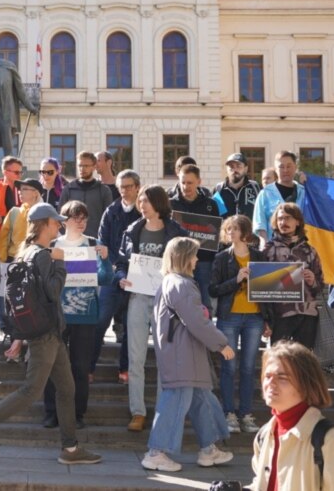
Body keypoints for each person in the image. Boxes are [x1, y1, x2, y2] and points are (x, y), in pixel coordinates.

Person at [0, 201, 99, 466]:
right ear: (45, 224)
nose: (59, 225)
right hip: (45, 334)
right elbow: (52, 291)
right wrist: (60, 265)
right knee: (31, 390)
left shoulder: (25, 252)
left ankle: (70, 449)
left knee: (67, 388)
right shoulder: (45, 255)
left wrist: (20, 335)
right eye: (56, 222)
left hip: (47, 332)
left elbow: (26, 298)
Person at [139, 236, 234, 472]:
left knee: (203, 400)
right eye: (194, 254)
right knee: (175, 402)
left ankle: (208, 449)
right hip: (183, 355)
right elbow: (197, 322)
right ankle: (156, 452)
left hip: (183, 354)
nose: (197, 259)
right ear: (184, 257)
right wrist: (222, 344)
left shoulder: (171, 282)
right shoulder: (182, 285)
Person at [251, 342, 334, 490]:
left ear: (306, 383)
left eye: (282, 377)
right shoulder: (264, 435)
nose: (271, 383)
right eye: (267, 376)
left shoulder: (331, 440)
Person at [118, 184, 188, 432]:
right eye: (140, 201)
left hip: (165, 301)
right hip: (137, 296)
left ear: (158, 203)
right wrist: (121, 277)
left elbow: (186, 264)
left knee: (163, 358)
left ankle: (162, 411)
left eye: (145, 201)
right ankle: (138, 412)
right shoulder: (132, 231)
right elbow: (121, 262)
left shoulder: (176, 232)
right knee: (135, 358)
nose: (141, 205)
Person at [41, 201, 113, 430]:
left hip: (85, 314)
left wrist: (105, 259)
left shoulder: (93, 243)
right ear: (64, 221)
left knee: (80, 368)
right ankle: (52, 413)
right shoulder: (53, 245)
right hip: (57, 315)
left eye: (84, 218)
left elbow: (106, 279)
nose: (81, 222)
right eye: (75, 218)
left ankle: (77, 413)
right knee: (52, 365)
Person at [209, 214, 267, 434]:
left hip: (254, 317)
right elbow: (213, 289)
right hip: (229, 317)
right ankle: (229, 413)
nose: (230, 232)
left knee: (248, 367)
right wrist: (236, 280)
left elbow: (267, 291)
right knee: (229, 366)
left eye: (234, 229)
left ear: (244, 232)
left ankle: (246, 414)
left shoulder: (259, 257)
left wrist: (268, 320)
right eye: (228, 229)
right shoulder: (222, 258)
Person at [93, 170, 141, 382]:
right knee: (100, 321)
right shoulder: (111, 211)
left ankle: (125, 369)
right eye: (121, 187)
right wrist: (115, 267)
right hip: (113, 275)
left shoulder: (143, 211)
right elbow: (102, 242)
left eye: (129, 186)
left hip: (138, 277)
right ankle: (89, 368)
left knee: (132, 327)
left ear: (138, 187)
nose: (124, 191)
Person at [260, 203, 323, 349]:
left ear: (298, 221)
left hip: (307, 314)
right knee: (279, 359)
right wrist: (265, 319)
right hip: (280, 315)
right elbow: (260, 288)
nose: (283, 222)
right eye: (280, 219)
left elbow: (320, 285)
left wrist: (313, 280)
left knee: (303, 362)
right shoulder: (268, 249)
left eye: (288, 218)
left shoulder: (310, 251)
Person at [0, 178, 44, 351]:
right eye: (20, 189)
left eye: (24, 189)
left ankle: (29, 346)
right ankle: (13, 341)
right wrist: (2, 261)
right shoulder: (15, 212)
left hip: (35, 263)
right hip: (13, 263)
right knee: (11, 304)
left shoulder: (44, 212)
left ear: (35, 193)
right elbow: (3, 236)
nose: (20, 192)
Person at [170, 164, 222, 310]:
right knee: (179, 302)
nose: (186, 186)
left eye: (190, 183)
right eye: (183, 182)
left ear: (199, 182)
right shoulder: (171, 204)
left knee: (205, 302)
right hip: (179, 261)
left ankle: (204, 331)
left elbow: (215, 234)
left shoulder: (211, 204)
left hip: (204, 260)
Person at [253, 151, 305, 241]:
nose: (285, 170)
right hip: (274, 249)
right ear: (276, 170)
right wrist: (264, 245)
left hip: (299, 248)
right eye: (281, 167)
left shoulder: (304, 192)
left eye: (289, 166)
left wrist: (310, 184)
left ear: (295, 167)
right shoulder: (265, 194)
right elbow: (260, 224)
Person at [59, 152, 113, 237]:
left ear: (94, 166)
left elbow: (109, 219)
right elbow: (61, 217)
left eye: (86, 166)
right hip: (72, 242)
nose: (82, 169)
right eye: (80, 166)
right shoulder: (68, 189)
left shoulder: (104, 190)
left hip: (95, 241)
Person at [214, 153, 261, 220]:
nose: (235, 170)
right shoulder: (218, 189)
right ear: (226, 169)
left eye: (238, 166)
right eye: (231, 167)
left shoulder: (255, 187)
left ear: (246, 168)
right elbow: (213, 215)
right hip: (226, 230)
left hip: (249, 230)